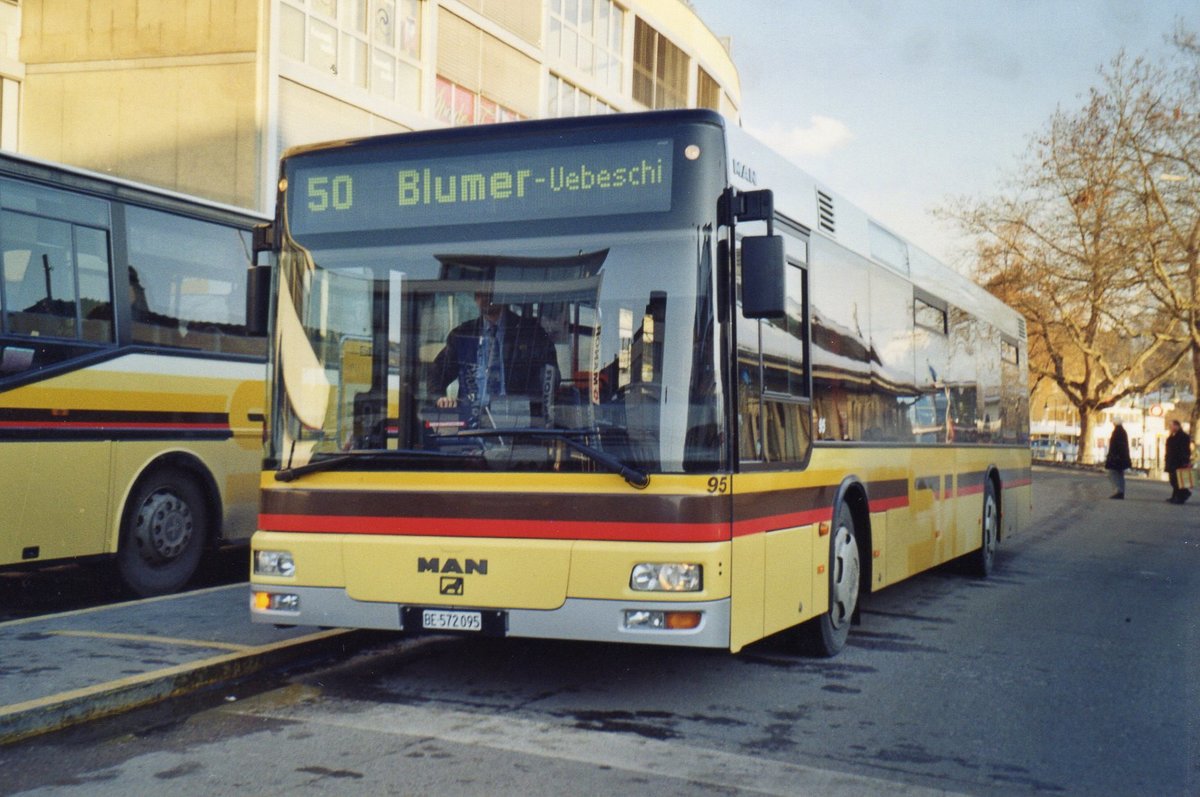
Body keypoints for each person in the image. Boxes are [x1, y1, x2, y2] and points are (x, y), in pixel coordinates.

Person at [429, 290, 559, 427]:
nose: (485, 298)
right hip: (473, 422)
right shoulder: (463, 335)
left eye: (490, 293)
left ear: (501, 295)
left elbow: (550, 374)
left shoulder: (529, 332)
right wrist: (439, 397)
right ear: (475, 298)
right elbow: (437, 372)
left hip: (518, 422)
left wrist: (533, 404)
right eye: (479, 293)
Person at [1164, 419, 1193, 504]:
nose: (1170, 427)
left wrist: (1185, 461)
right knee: (1173, 480)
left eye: (1172, 426)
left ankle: (1182, 495)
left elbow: (1185, 450)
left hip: (1179, 461)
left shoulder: (1183, 436)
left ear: (1177, 426)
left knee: (1178, 480)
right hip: (1171, 461)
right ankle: (1176, 496)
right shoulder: (1172, 436)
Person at [1104, 419, 1132, 499]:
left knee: (1112, 474)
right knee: (1120, 474)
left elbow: (1115, 446)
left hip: (1116, 458)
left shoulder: (1117, 432)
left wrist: (1112, 456)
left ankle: (1118, 491)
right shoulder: (1123, 432)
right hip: (1121, 458)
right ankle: (1121, 491)